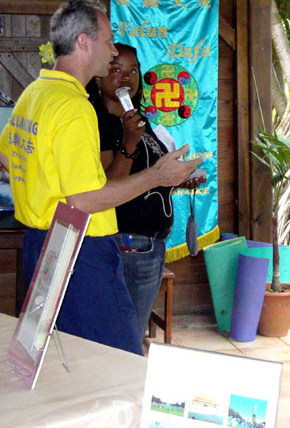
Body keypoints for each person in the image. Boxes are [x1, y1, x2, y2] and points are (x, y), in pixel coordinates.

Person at [0, 0, 202, 356]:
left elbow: (3, 154)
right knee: (119, 361)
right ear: (83, 42)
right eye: (108, 41)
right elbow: (84, 200)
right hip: (81, 250)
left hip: (42, 242)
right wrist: (158, 176)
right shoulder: (74, 107)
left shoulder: (36, 92)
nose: (112, 51)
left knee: (67, 357)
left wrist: (42, 185)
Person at [87, 43, 206, 341]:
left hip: (150, 245)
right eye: (116, 70)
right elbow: (109, 187)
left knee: (132, 331)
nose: (126, 78)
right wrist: (128, 142)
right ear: (99, 77)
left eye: (133, 70)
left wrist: (179, 180)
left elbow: (148, 180)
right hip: (125, 245)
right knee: (123, 336)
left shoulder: (143, 123)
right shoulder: (98, 123)